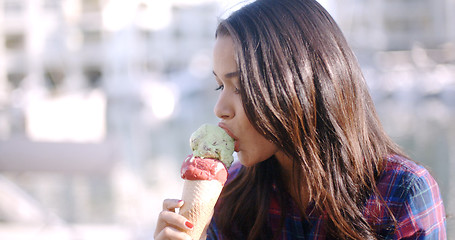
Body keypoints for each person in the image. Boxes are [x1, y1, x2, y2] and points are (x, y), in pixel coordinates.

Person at [154, 0, 447, 239]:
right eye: (220, 85)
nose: (220, 109)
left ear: (300, 84)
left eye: (241, 86)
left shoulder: (403, 192)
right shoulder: (230, 196)